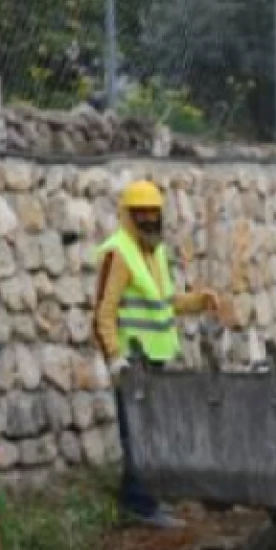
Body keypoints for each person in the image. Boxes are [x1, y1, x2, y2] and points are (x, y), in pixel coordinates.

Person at [93, 180, 221, 528]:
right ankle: (139, 505)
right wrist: (114, 358)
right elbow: (103, 312)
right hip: (132, 361)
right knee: (137, 433)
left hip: (155, 358)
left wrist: (198, 301)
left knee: (150, 431)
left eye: (154, 212)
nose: (150, 219)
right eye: (142, 213)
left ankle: (145, 501)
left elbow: (165, 302)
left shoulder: (156, 253)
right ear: (128, 215)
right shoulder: (119, 253)